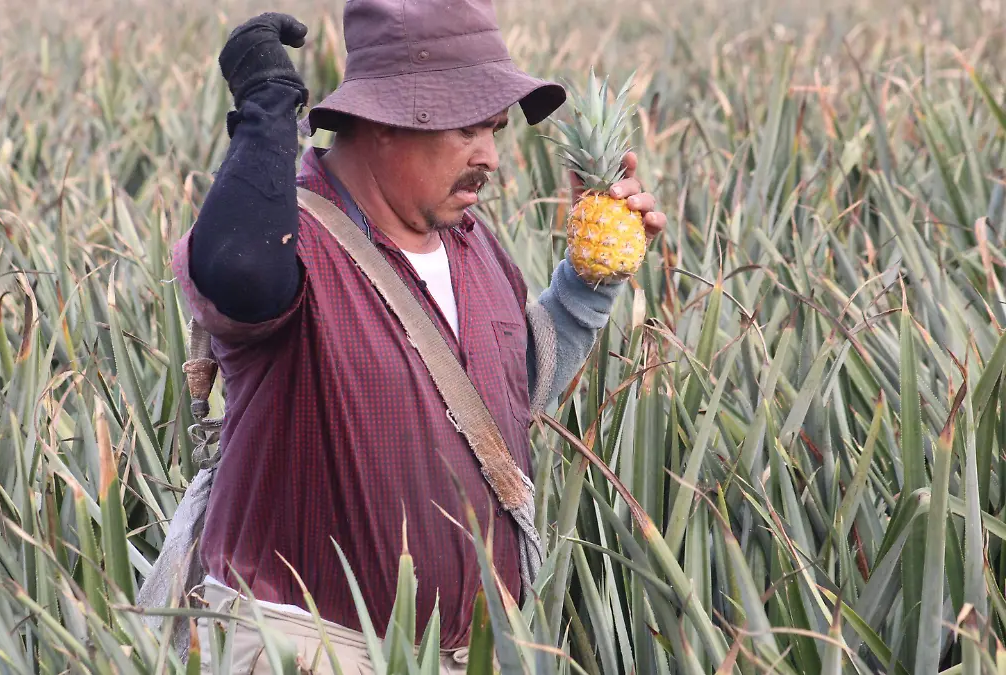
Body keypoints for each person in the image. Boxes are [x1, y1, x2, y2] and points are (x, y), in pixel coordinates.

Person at [159, 0, 666, 672]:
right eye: (464, 128)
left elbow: (511, 392)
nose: (490, 155)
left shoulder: (475, 244)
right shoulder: (294, 242)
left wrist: (584, 284)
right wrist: (266, 107)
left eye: (493, 126)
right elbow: (239, 270)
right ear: (384, 122)